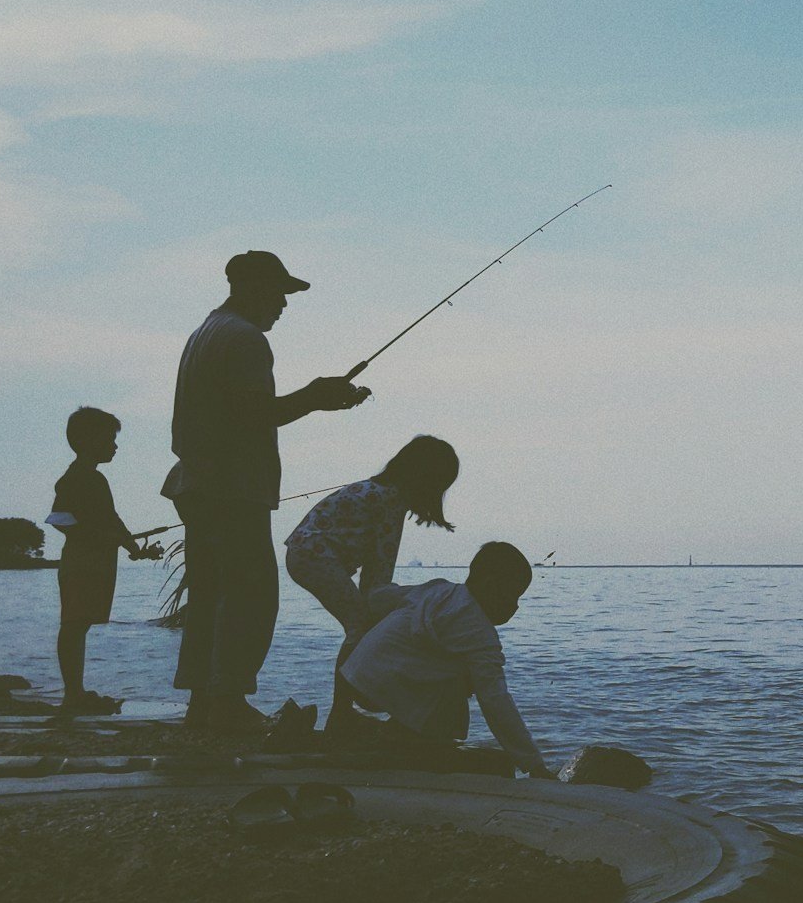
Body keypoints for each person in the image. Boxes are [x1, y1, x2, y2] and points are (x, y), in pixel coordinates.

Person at [163, 250, 368, 733]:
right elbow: (253, 413)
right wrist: (316, 397)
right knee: (251, 594)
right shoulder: (245, 338)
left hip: (198, 484)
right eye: (279, 293)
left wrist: (315, 398)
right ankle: (228, 700)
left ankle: (202, 701)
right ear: (253, 288)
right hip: (232, 487)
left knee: (211, 593)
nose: (283, 304)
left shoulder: (205, 332)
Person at [285, 435, 460, 731]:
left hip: (304, 552)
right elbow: (379, 578)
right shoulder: (390, 501)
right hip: (314, 556)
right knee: (359, 626)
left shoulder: (378, 491)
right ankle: (340, 714)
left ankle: (345, 710)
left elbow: (374, 582)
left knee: (362, 624)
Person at [341, 540, 552, 777]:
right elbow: (495, 700)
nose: (515, 607)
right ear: (490, 586)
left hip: (355, 677)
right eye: (513, 596)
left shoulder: (438, 590)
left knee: (448, 665)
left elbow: (379, 598)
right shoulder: (479, 632)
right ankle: (407, 738)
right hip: (381, 686)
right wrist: (534, 764)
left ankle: (389, 729)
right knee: (462, 681)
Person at [46, 407, 161, 715]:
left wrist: (135, 548)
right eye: (109, 439)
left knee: (79, 625)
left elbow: (113, 521)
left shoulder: (96, 480)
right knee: (73, 625)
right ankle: (73, 696)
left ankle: (76, 693)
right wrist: (97, 538)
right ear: (87, 440)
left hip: (97, 563)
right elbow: (58, 519)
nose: (114, 446)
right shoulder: (75, 478)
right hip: (82, 562)